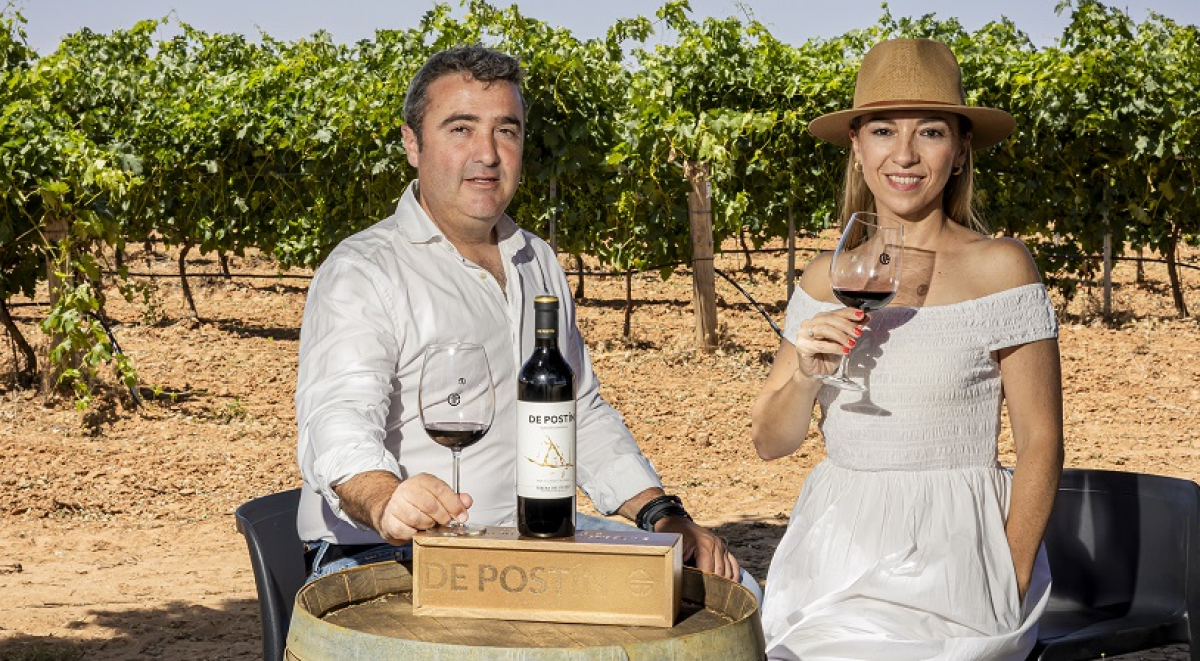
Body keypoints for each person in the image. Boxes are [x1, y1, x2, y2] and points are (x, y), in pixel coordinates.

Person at [294, 45, 753, 595]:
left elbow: (577, 408)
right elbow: (337, 422)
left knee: (740, 593)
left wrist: (663, 515)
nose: (487, 153)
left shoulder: (537, 260)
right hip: (380, 551)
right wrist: (386, 498)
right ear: (412, 144)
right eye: (460, 128)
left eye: (505, 131)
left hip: (526, 545)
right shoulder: (364, 270)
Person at [751, 38, 1063, 660]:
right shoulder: (823, 279)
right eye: (884, 130)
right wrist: (808, 376)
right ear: (857, 147)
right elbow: (770, 441)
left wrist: (1012, 575)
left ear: (960, 148)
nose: (905, 154)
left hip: (958, 556)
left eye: (930, 131)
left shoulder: (1001, 267)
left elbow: (1041, 441)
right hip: (835, 552)